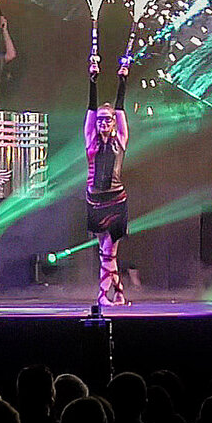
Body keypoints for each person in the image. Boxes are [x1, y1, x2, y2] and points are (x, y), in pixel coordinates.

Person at [88, 48, 133, 307]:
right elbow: (91, 109)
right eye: (101, 120)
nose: (104, 122)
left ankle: (104, 295)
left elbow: (120, 107)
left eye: (108, 120)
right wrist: (92, 79)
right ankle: (118, 294)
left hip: (116, 200)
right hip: (94, 200)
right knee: (107, 252)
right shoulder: (90, 142)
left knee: (109, 251)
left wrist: (122, 79)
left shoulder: (121, 141)